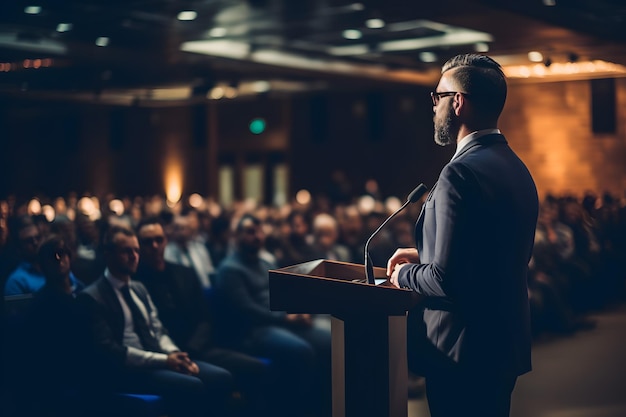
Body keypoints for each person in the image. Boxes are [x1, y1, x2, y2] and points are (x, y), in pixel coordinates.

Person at [386, 54, 539, 417]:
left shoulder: (460, 174)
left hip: (462, 350)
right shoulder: (515, 167)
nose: (434, 106)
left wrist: (402, 275)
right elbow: (485, 257)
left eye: (437, 97)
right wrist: (424, 255)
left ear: (458, 102)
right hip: (502, 343)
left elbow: (447, 280)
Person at [77, 226, 233, 417]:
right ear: (108, 255)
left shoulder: (138, 288)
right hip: (128, 371)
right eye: (127, 251)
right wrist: (165, 360)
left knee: (221, 378)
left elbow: (158, 330)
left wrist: (176, 355)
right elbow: (111, 351)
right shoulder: (92, 296)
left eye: (136, 251)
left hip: (159, 359)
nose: (134, 256)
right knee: (192, 385)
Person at [134, 217, 271, 414]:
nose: (155, 246)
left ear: (166, 240)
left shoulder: (184, 272)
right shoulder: (135, 281)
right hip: (166, 354)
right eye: (147, 242)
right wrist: (174, 354)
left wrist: (193, 348)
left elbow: (205, 318)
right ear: (139, 246)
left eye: (159, 239)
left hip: (197, 347)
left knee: (255, 368)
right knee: (220, 378)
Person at [215, 213, 332, 417]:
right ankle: (296, 411)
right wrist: (285, 318)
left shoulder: (264, 263)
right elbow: (246, 309)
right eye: (250, 232)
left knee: (330, 340)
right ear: (237, 236)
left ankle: (324, 407)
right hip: (252, 330)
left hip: (279, 321)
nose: (257, 236)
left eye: (259, 231)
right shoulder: (229, 269)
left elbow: (283, 294)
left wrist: (298, 311)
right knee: (302, 351)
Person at [4, 215, 83, 296]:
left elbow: (78, 288)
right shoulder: (16, 281)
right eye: (28, 241)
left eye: (38, 238)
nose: (35, 243)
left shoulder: (56, 266)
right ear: (19, 248)